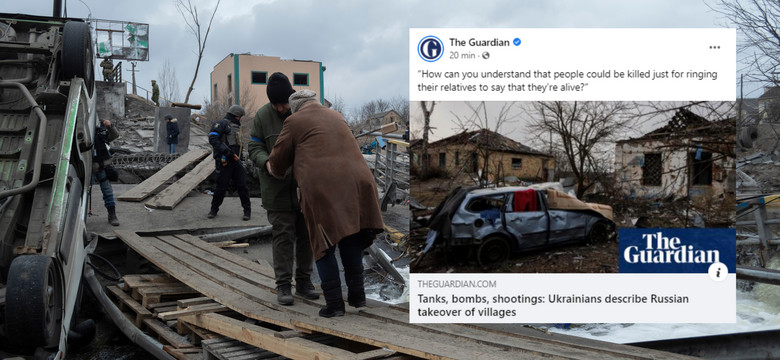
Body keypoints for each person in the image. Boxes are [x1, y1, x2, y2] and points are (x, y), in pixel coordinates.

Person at [268, 90, 384, 317]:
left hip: (324, 187)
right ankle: (358, 297)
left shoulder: (293, 121)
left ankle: (334, 305)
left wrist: (272, 168)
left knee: (324, 242)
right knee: (350, 234)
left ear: (295, 107)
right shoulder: (336, 115)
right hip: (359, 182)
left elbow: (278, 161)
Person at [248, 72, 319, 305]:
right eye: (275, 104)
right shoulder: (262, 116)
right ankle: (283, 286)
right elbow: (254, 145)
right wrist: (265, 162)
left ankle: (305, 282)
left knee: (307, 236)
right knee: (282, 237)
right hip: (276, 190)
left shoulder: (301, 113)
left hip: (304, 188)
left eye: (283, 103)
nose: (280, 108)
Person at [208, 105, 251, 221]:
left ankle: (247, 211)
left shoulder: (237, 127)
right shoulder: (221, 124)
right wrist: (226, 152)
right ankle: (214, 209)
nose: (241, 119)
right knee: (221, 187)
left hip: (237, 162)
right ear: (236, 116)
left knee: (242, 186)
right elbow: (213, 139)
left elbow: (239, 145)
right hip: (224, 161)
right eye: (240, 117)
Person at [93, 119, 120, 226]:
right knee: (82, 193)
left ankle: (112, 215)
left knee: (108, 192)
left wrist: (110, 126)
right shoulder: (79, 129)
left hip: (101, 166)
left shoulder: (100, 130)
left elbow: (114, 135)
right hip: (86, 167)